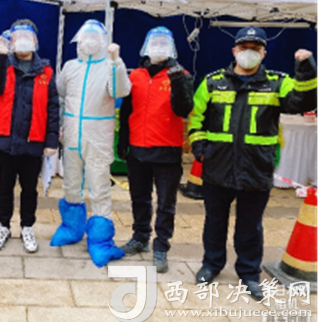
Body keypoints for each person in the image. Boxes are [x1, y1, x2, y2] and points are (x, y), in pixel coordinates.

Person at [189, 26, 317, 299]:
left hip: (256, 168)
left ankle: (249, 273)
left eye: (255, 48)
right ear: (234, 50)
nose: (249, 52)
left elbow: (303, 102)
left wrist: (306, 68)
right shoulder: (212, 82)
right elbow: (196, 117)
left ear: (264, 53)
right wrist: (201, 150)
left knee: (250, 226)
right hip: (217, 167)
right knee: (214, 222)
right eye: (244, 47)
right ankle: (211, 264)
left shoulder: (277, 82)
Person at [50, 19, 131, 268]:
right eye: (86, 36)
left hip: (98, 138)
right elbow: (60, 95)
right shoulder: (70, 67)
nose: (89, 41)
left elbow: (120, 91)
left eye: (95, 37)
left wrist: (116, 63)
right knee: (71, 184)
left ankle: (100, 240)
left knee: (99, 188)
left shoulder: (110, 66)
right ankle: (71, 227)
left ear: (103, 41)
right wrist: (60, 126)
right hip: (72, 137)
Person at [118, 26, 194, 273]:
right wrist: (123, 141)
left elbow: (184, 110)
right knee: (139, 197)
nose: (159, 47)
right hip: (137, 150)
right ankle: (140, 236)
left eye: (164, 43)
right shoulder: (135, 76)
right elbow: (127, 111)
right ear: (146, 46)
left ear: (171, 47)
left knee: (165, 203)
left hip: (167, 151)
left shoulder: (181, 75)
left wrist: (178, 83)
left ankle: (161, 245)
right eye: (155, 42)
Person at [0, 20, 59, 253]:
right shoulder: (4, 65)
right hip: (6, 140)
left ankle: (27, 227)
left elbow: (53, 107)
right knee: (5, 187)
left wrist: (51, 140)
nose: (23, 41)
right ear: (12, 40)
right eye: (18, 37)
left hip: (33, 141)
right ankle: (3, 226)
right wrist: (0, 59)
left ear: (35, 40)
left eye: (28, 36)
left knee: (29, 189)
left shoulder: (46, 72)